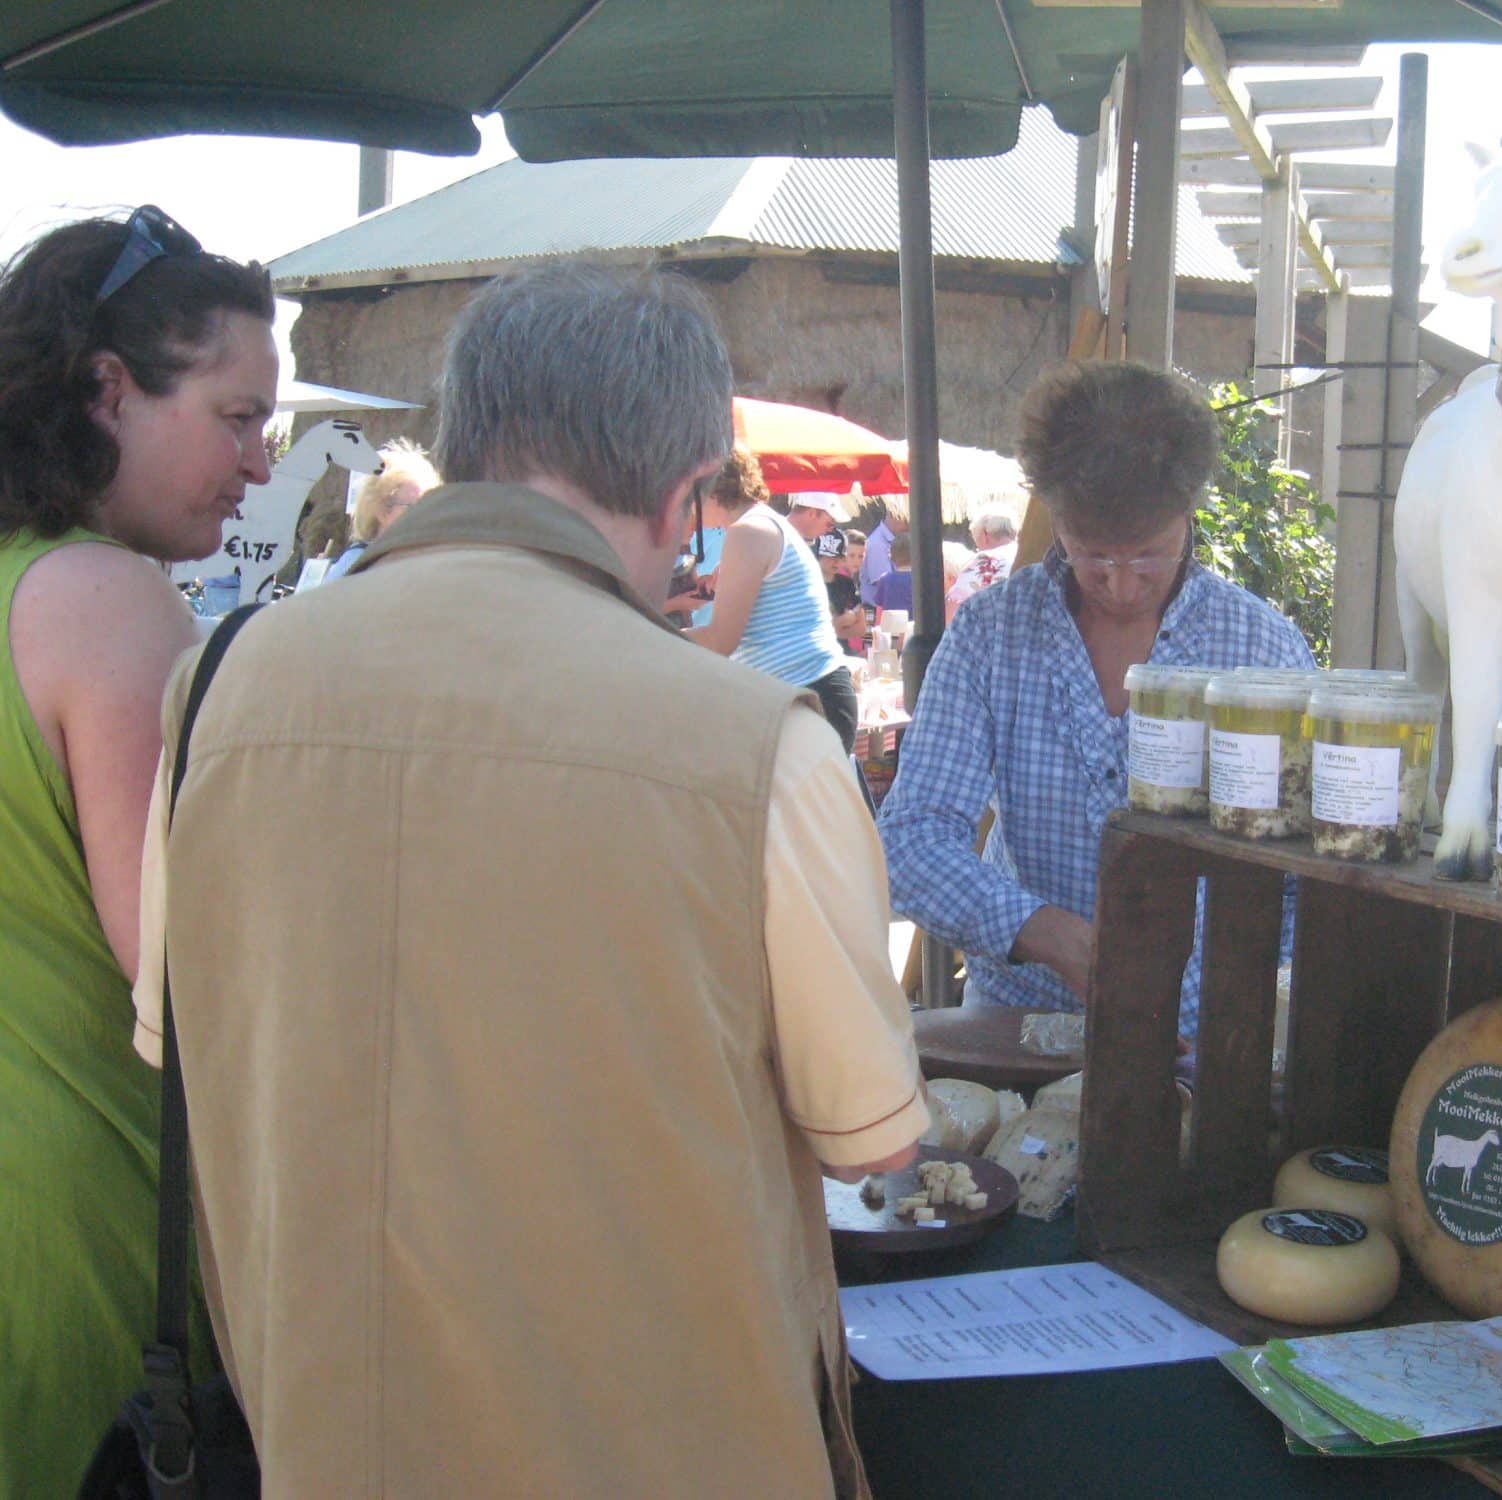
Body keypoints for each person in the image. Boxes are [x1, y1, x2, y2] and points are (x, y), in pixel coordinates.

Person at [131, 263, 926, 1496]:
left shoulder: (216, 686)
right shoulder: (758, 744)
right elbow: (870, 1141)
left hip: (321, 1439)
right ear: (680, 497)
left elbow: (178, 1042)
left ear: (464, 442)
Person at [0, 205, 277, 1497]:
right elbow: (184, 967)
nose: (260, 462)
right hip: (83, 1210)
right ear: (109, 390)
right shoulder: (106, 599)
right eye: (235, 417)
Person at [877, 361, 1314, 1032]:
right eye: (1093, 555)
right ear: (1054, 517)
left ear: (1188, 513)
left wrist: (1257, 1020)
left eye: (1149, 555)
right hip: (1020, 1021)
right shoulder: (993, 635)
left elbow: (1299, 882)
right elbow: (911, 839)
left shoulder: (1262, 650)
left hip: (1198, 1035)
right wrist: (1042, 931)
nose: (1121, 583)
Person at [675, 450, 860, 751]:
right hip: (809, 697)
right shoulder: (761, 525)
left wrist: (648, 634)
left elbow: (721, 640)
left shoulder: (749, 531)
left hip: (807, 699)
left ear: (707, 489)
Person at [320, 436, 439, 581]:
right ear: (382, 511)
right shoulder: (358, 568)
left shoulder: (413, 564)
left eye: (430, 507)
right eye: (415, 507)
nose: (425, 517)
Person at [946, 508, 1018, 624]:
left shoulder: (988, 561)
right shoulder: (1033, 555)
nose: (978, 549)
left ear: (985, 535)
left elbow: (953, 609)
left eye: (977, 545)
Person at [815, 529, 867, 653]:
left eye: (840, 557)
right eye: (831, 556)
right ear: (818, 555)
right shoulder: (809, 584)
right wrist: (840, 622)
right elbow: (810, 632)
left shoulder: (847, 583)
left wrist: (831, 628)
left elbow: (861, 628)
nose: (836, 561)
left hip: (843, 650)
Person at [858, 493, 908, 607]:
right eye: (905, 520)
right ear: (892, 514)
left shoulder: (887, 541)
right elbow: (885, 585)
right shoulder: (877, 544)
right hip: (877, 611)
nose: (908, 526)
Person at [784, 488, 849, 542]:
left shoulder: (787, 539)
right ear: (812, 513)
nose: (830, 530)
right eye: (829, 524)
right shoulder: (781, 538)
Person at [875, 531, 915, 614]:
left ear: (892, 556)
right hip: (915, 622)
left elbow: (879, 609)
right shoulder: (920, 580)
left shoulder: (884, 579)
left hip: (891, 622)